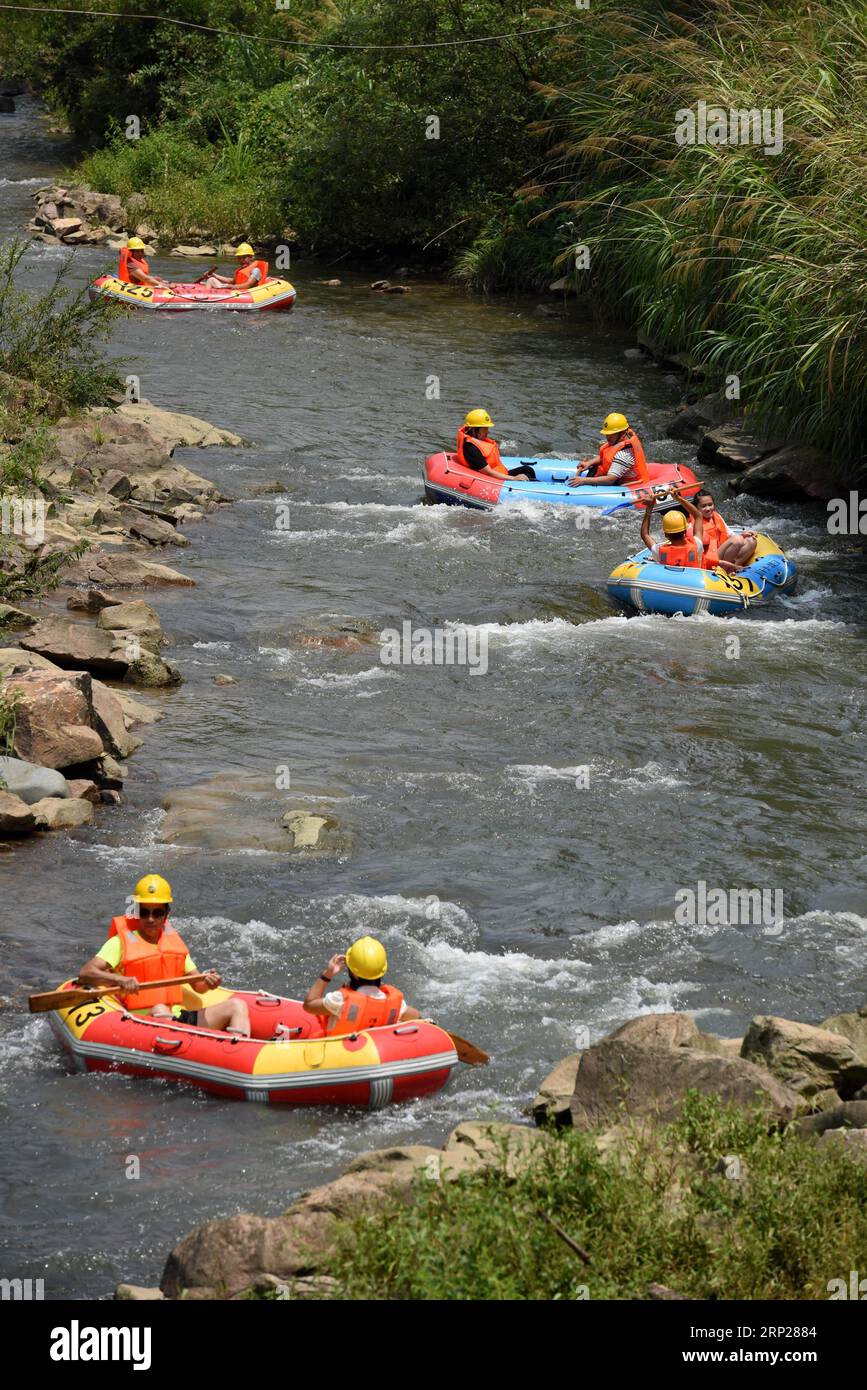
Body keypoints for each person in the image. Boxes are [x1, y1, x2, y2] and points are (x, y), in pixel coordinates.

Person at [77, 874, 250, 1034]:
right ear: (137, 912)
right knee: (160, 1008)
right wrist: (120, 980)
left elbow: (199, 986)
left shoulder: (174, 945)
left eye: (157, 912)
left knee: (237, 1005)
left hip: (178, 1018)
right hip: (142, 1021)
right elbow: (86, 973)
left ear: (167, 914)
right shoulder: (119, 943)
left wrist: (210, 982)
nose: (150, 919)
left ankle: (235, 1052)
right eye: (144, 912)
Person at [302, 936, 420, 1037]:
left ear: (353, 973)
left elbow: (309, 1004)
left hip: (341, 1056)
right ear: (382, 971)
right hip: (378, 1054)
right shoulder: (397, 1006)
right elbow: (418, 1017)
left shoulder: (339, 1000)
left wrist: (327, 974)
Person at [568, 413, 650, 488]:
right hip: (618, 476)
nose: (608, 437)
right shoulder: (618, 442)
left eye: (611, 434)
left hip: (631, 487)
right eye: (607, 434)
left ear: (622, 433)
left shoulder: (624, 455)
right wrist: (589, 463)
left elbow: (610, 479)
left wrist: (583, 481)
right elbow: (605, 457)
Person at [688, 489, 757, 571]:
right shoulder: (694, 524)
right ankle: (726, 569)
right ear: (696, 508)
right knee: (737, 540)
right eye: (703, 506)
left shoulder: (717, 517)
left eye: (710, 505)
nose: (708, 508)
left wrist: (744, 535)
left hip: (721, 552)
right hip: (709, 559)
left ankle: (734, 567)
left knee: (751, 541)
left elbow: (730, 534)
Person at [456, 410, 535, 480]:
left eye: (487, 428)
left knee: (527, 469)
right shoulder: (471, 449)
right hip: (491, 479)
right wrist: (513, 478)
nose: (487, 432)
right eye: (484, 429)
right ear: (474, 429)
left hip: (498, 473)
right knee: (526, 476)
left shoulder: (477, 441)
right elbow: (488, 472)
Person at [640, 492, 705, 567]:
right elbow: (698, 516)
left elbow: (644, 535)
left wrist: (649, 507)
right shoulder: (697, 544)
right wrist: (678, 498)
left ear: (665, 534)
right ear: (685, 531)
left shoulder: (659, 551)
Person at [202, 243, 270, 290]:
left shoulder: (256, 270)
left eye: (244, 257)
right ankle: (205, 297)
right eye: (239, 258)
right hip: (235, 291)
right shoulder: (243, 268)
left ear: (251, 257)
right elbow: (232, 281)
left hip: (245, 294)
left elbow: (248, 285)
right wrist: (214, 275)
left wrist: (231, 287)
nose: (241, 260)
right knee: (211, 280)